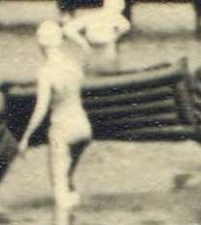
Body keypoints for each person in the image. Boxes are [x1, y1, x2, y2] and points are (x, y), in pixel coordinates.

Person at [16, 21, 92, 212]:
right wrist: (71, 34)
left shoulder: (46, 71)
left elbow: (41, 109)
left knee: (60, 197)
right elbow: (86, 47)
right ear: (59, 41)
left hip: (62, 131)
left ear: (40, 43)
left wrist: (25, 137)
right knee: (69, 184)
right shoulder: (73, 64)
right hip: (83, 129)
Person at [62, 0, 133, 70]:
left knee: (110, 66)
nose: (118, 7)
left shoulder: (117, 17)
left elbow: (125, 27)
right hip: (91, 48)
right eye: (114, 5)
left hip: (108, 47)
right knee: (92, 68)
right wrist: (83, 43)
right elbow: (68, 29)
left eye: (119, 5)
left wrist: (114, 38)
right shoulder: (92, 15)